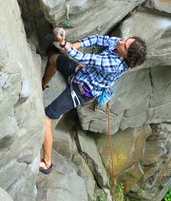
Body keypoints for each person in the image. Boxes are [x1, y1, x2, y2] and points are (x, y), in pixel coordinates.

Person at [39, 28, 147, 174]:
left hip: (80, 92)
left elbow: (85, 58)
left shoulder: (114, 64)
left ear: (127, 57)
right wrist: (73, 45)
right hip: (82, 73)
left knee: (46, 118)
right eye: (125, 40)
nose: (121, 42)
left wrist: (65, 45)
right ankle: (43, 85)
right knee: (53, 59)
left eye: (125, 45)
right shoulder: (119, 45)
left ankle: (47, 163)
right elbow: (97, 39)